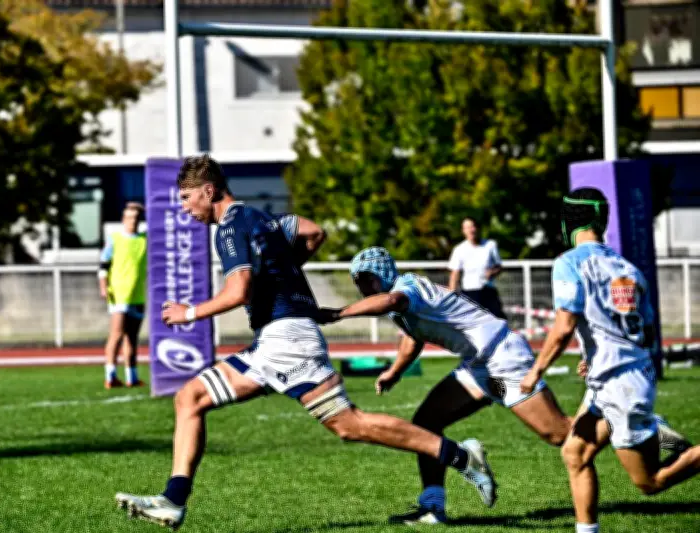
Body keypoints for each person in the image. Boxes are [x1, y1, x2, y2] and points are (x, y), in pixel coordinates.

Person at [113, 155, 496, 529]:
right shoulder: (266, 219)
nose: (184, 207)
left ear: (208, 191)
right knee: (190, 398)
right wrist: (284, 271)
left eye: (186, 197)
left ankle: (461, 456)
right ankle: (173, 501)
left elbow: (237, 291)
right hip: (275, 340)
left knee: (350, 425)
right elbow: (313, 232)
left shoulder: (229, 226)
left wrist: (189, 313)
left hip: (288, 339)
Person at [316, 246, 572, 525]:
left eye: (365, 279)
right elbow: (413, 338)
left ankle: (613, 420)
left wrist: (338, 314)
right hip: (478, 367)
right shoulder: (401, 301)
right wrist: (394, 372)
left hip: (502, 361)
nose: (362, 287)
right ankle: (432, 507)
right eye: (358, 281)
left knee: (558, 433)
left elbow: (391, 300)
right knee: (425, 425)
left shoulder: (406, 288)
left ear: (381, 273)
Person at [520, 187, 700, 533]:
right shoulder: (628, 269)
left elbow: (563, 328)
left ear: (567, 222)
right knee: (575, 454)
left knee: (650, 483)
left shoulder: (568, 263)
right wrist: (597, 355)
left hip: (621, 386)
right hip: (616, 377)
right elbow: (644, 332)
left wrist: (535, 371)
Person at [99, 202, 147, 389]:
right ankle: (110, 375)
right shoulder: (115, 239)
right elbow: (103, 266)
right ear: (123, 219)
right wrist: (104, 287)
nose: (132, 221)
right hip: (119, 294)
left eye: (136, 218)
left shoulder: (144, 240)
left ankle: (131, 377)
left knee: (132, 337)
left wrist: (144, 208)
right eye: (129, 217)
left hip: (138, 294)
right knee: (116, 335)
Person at [447, 217, 506, 318]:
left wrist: (493, 272)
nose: (471, 230)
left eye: (473, 226)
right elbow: (454, 274)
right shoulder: (459, 249)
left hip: (488, 291)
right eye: (467, 227)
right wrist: (451, 296)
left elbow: (499, 266)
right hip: (469, 293)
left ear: (477, 228)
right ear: (463, 231)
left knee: (498, 321)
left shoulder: (490, 245)